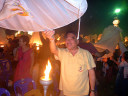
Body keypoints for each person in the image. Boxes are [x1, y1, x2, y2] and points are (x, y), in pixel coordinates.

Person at [44, 30, 96, 96]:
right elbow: (54, 50)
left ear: (77, 41)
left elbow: (91, 72)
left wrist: (92, 90)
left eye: (72, 38)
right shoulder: (63, 53)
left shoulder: (86, 53)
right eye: (67, 39)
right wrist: (51, 39)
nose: (68, 41)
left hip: (82, 93)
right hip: (65, 92)